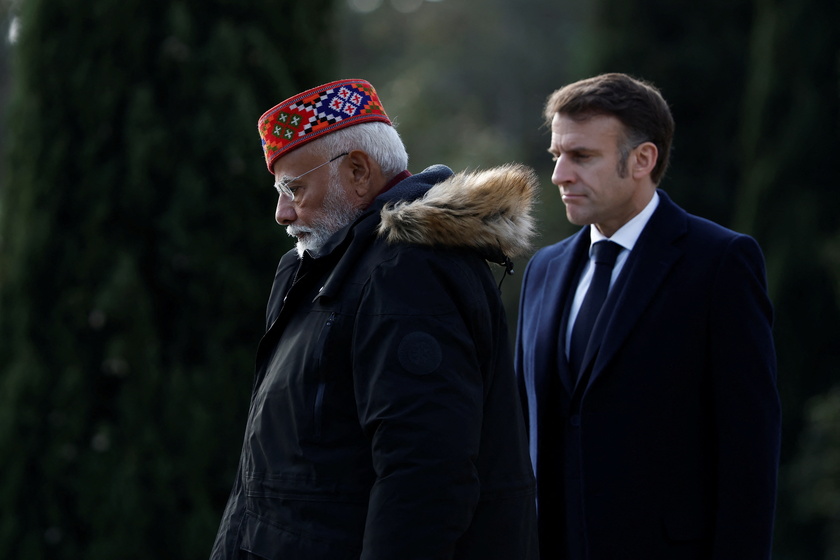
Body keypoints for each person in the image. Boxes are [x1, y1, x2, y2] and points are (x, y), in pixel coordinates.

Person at [210, 79, 539, 560]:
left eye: (293, 188)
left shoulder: (410, 271)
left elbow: (425, 478)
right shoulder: (313, 269)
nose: (282, 212)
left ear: (358, 171)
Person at [515, 73, 781, 560]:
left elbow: (749, 452)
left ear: (642, 159)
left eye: (582, 156)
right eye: (557, 156)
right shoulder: (543, 270)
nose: (559, 175)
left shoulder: (720, 263)